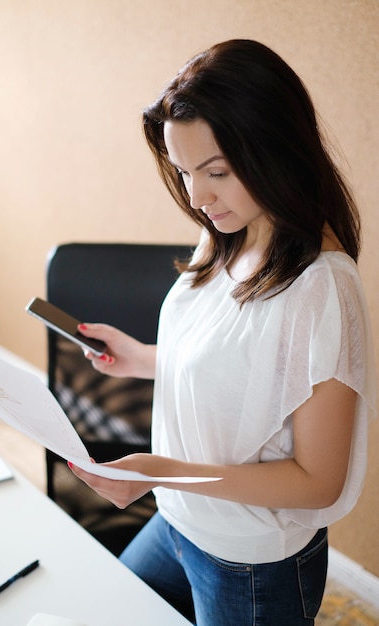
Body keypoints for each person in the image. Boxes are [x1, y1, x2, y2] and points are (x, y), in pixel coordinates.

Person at [68, 39, 376, 625]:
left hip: (248, 560)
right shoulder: (228, 230)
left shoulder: (320, 289)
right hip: (179, 518)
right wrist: (143, 359)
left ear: (277, 151)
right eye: (184, 172)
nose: (197, 197)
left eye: (216, 172)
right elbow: (243, 372)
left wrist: (160, 469)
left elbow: (318, 482)